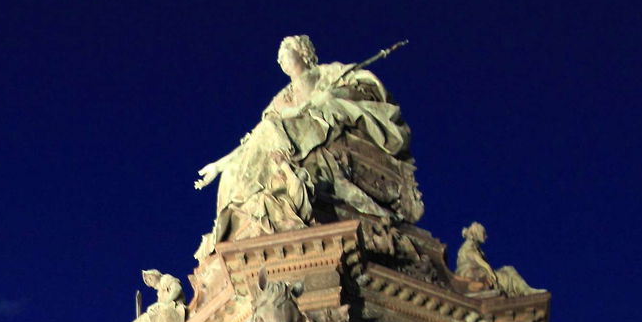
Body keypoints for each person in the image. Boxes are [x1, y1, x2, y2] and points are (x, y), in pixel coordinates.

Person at [195, 36, 420, 253]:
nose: (280, 61)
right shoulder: (282, 98)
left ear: (303, 53)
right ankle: (244, 216)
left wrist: (330, 96)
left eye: (285, 54)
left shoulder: (327, 74)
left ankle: (280, 189)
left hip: (321, 125)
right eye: (279, 58)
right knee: (233, 170)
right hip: (288, 134)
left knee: (270, 128)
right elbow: (255, 139)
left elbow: (364, 86)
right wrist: (219, 165)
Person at [454, 222, 539, 297]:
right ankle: (524, 291)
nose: (486, 236)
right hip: (473, 274)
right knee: (507, 275)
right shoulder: (468, 245)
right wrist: (490, 271)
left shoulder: (474, 246)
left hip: (479, 272)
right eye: (484, 234)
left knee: (508, 269)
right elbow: (477, 259)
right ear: (477, 234)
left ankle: (524, 290)